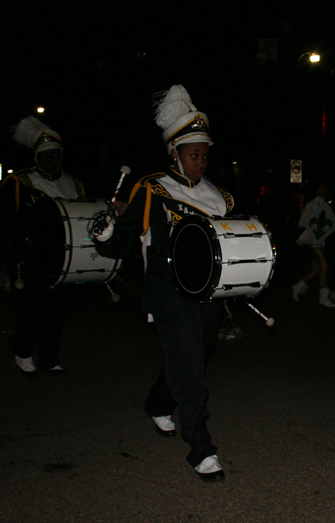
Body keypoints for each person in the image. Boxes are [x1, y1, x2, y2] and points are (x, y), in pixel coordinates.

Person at [93, 84, 232, 483]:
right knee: (190, 368)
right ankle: (202, 449)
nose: (201, 162)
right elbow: (123, 240)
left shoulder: (219, 197)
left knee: (197, 354)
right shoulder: (152, 189)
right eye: (194, 154)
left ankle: (158, 403)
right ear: (174, 154)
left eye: (205, 155)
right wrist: (104, 236)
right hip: (167, 291)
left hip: (208, 294)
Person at [0, 117, 84, 377]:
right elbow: (2, 221)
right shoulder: (20, 182)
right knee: (33, 308)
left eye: (54, 155)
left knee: (57, 310)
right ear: (36, 157)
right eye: (44, 156)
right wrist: (12, 255)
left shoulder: (74, 183)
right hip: (30, 256)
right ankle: (22, 349)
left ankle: (49, 357)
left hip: (64, 257)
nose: (50, 160)